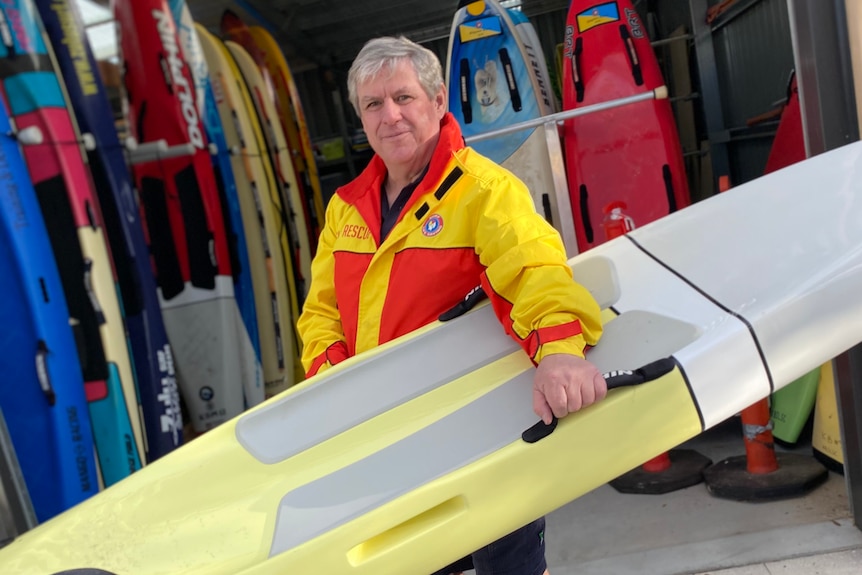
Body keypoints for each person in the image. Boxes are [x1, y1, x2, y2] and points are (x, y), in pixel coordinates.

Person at [297, 35, 606, 575]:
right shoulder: (344, 209)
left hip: (482, 433)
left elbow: (533, 270)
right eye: (373, 105)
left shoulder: (486, 191)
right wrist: (333, 383)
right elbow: (321, 313)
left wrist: (559, 348)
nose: (389, 116)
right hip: (389, 441)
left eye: (403, 98)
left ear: (438, 102)